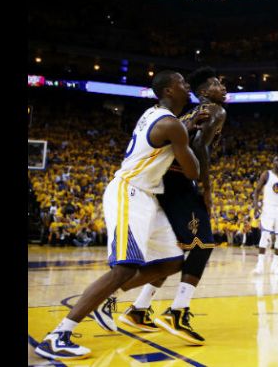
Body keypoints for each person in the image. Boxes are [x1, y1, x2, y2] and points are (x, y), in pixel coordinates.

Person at [34, 70, 204, 361]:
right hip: (130, 192)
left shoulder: (158, 115)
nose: (187, 86)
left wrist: (186, 126)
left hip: (148, 195)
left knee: (172, 261)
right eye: (181, 83)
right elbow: (193, 172)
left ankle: (107, 300)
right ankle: (59, 335)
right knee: (124, 268)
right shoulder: (171, 125)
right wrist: (194, 134)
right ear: (168, 90)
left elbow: (172, 133)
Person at [120, 67, 227, 345]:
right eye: (217, 83)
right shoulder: (214, 110)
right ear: (204, 92)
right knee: (203, 245)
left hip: (165, 183)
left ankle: (139, 309)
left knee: (173, 253)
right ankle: (177, 312)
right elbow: (201, 147)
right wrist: (206, 188)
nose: (223, 88)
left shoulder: (185, 115)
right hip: (180, 183)